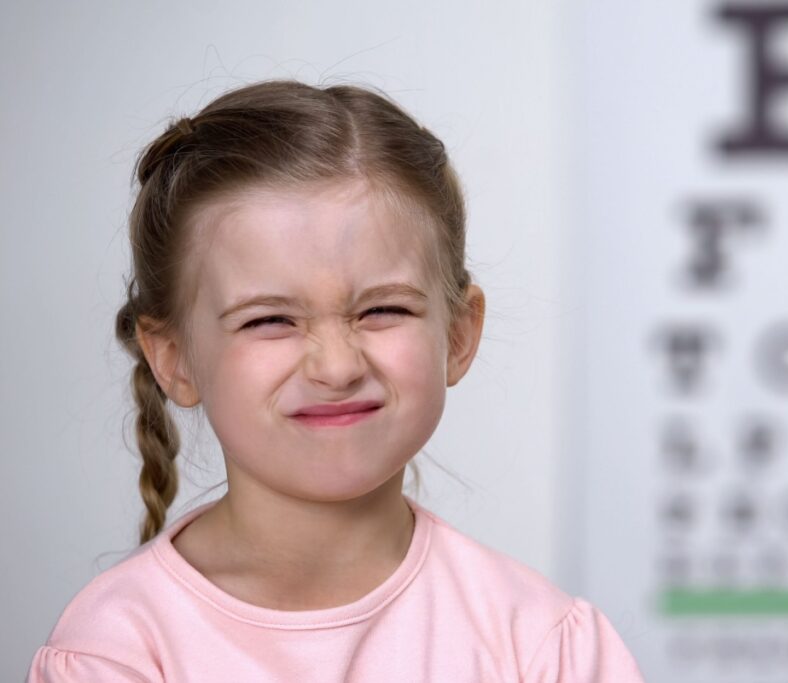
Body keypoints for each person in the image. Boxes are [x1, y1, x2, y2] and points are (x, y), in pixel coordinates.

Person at [26, 80, 645, 682]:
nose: (337, 366)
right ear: (174, 359)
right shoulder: (116, 654)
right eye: (270, 320)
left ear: (458, 334)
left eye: (383, 310)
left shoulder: (542, 647)